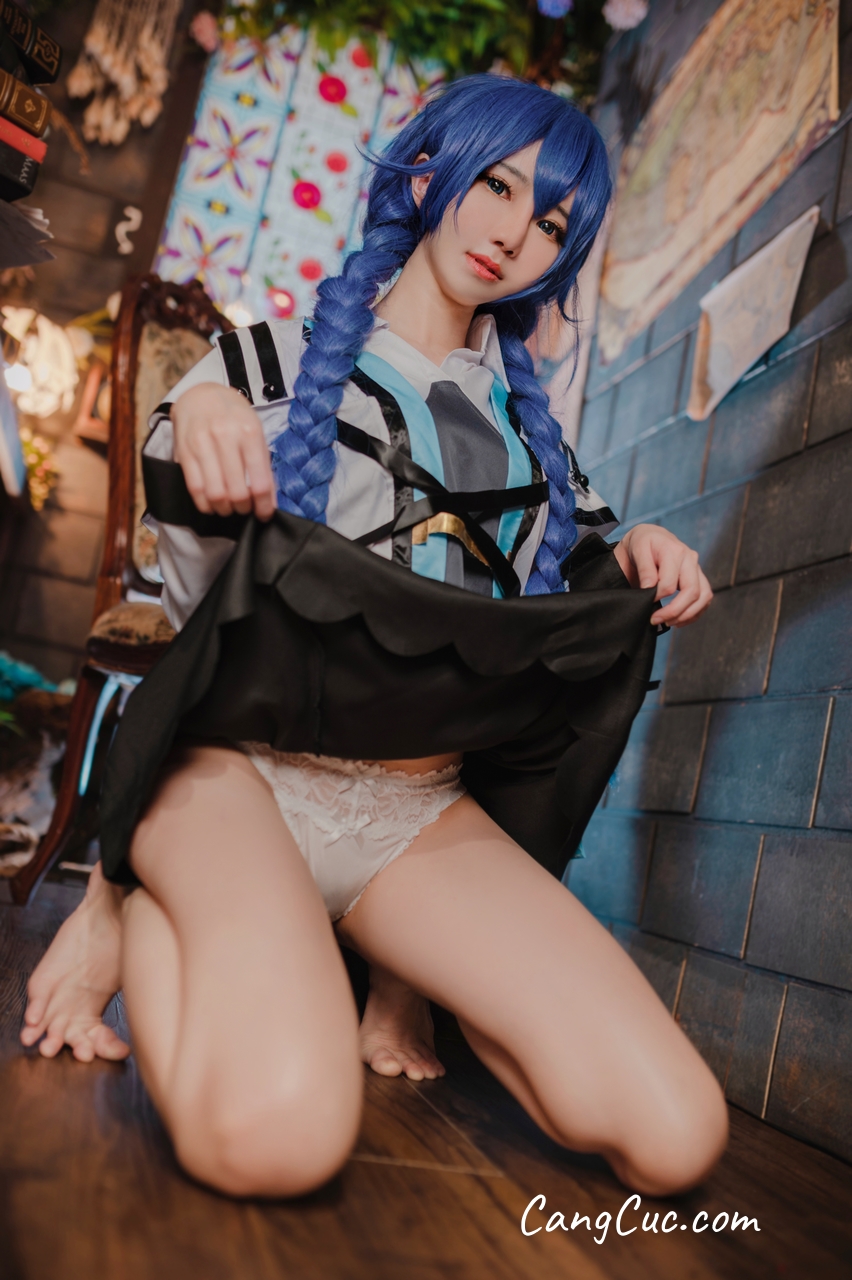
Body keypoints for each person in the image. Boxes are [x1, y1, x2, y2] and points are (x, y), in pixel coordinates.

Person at [21, 75, 725, 1199]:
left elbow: (578, 562)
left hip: (414, 816)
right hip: (235, 776)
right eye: (497, 185)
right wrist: (197, 417)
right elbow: (200, 607)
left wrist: (641, 541)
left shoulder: (535, 443)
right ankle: (130, 896)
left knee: (679, 1134)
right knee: (278, 1140)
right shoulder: (259, 364)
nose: (515, 234)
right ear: (426, 174)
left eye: (552, 225)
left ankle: (398, 972)